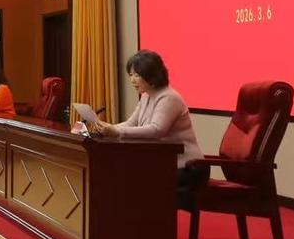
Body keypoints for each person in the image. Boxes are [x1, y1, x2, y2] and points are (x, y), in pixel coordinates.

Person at [86, 50, 205, 206]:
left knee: (130, 180)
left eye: (136, 75)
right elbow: (131, 123)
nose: (132, 80)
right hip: (163, 163)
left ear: (151, 75)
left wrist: (116, 131)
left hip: (187, 167)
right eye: (130, 75)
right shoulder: (146, 96)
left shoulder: (169, 97)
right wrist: (107, 128)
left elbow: (156, 130)